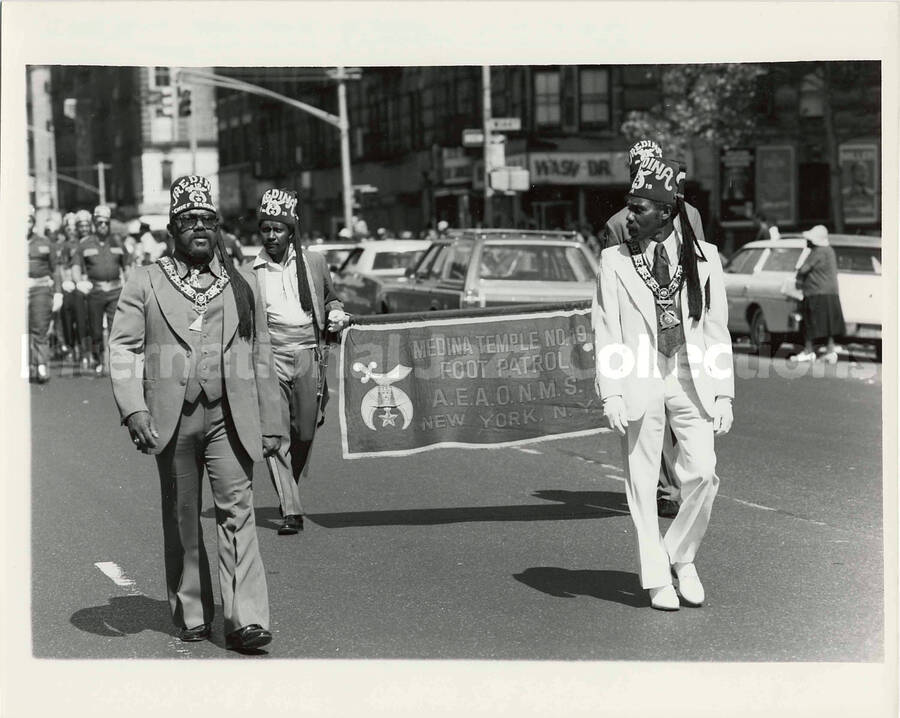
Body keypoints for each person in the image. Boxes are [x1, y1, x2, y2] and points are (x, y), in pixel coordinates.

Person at [108, 175, 284, 652]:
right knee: (184, 518)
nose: (200, 229)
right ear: (172, 230)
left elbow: (262, 353)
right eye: (189, 221)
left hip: (231, 416)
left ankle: (246, 619)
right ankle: (192, 611)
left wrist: (272, 422)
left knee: (237, 513)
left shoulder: (243, 282)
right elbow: (123, 348)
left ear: (218, 228)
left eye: (208, 220)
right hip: (173, 418)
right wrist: (134, 409)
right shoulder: (145, 281)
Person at [591, 155, 734, 611]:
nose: (628, 216)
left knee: (704, 473)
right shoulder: (614, 260)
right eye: (629, 206)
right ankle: (657, 576)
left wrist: (725, 393)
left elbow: (715, 329)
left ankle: (680, 555)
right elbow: (606, 329)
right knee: (642, 478)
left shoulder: (705, 258)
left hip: (691, 375)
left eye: (638, 208)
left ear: (666, 213)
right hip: (640, 374)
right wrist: (611, 390)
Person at [598, 140, 703, 518]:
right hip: (678, 331)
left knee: (653, 411)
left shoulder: (618, 222)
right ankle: (677, 484)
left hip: (649, 334)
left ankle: (668, 487)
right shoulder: (685, 211)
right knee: (678, 407)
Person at [251, 188, 349, 535]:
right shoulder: (253, 270)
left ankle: (287, 487)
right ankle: (291, 510)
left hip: (309, 354)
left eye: (278, 229)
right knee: (275, 435)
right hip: (270, 357)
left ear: (291, 230)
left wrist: (337, 312)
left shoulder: (315, 262)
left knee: (305, 430)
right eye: (266, 229)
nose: (272, 236)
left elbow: (332, 298)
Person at [71, 205, 130, 376]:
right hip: (95, 291)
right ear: (94, 223)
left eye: (106, 222)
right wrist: (78, 282)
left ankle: (115, 361)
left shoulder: (117, 241)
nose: (103, 225)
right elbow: (76, 266)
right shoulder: (85, 244)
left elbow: (126, 266)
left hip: (115, 290)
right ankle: (97, 358)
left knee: (116, 328)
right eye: (100, 222)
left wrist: (130, 285)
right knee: (96, 330)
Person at [790, 225, 846, 364]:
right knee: (828, 325)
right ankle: (830, 351)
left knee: (809, 323)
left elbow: (803, 269)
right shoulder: (829, 250)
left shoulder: (817, 251)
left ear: (814, 241)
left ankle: (808, 352)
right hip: (831, 292)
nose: (806, 242)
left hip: (816, 292)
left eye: (808, 240)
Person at [27, 205, 63, 383]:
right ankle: (25, 366)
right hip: (16, 291)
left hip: (40, 288)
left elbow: (55, 269)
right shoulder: (7, 240)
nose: (25, 224)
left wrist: (58, 293)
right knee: (18, 329)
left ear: (32, 223)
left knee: (39, 327)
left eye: (28, 220)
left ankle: (41, 364)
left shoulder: (44, 242)